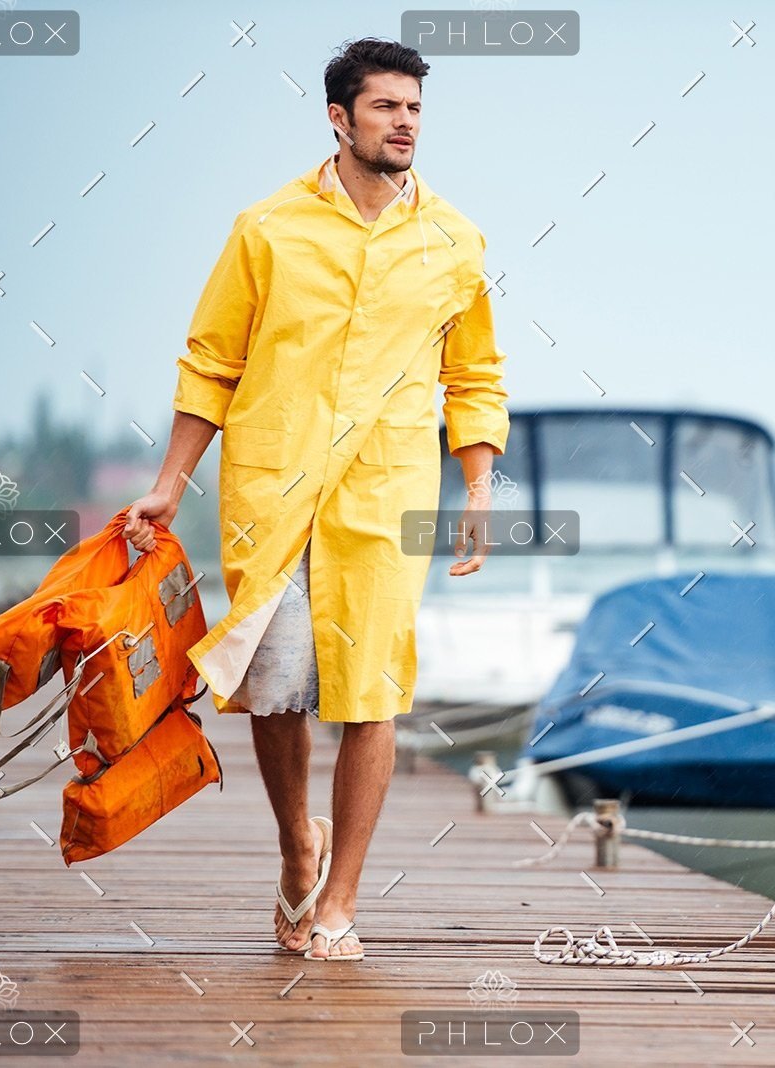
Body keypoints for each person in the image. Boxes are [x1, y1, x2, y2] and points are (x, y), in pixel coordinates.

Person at [123, 37, 510, 962]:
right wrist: (170, 484)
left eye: (414, 107)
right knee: (278, 684)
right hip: (272, 487)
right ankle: (299, 841)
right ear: (339, 119)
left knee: (371, 691)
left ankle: (338, 900)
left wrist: (479, 488)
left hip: (383, 498)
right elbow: (211, 361)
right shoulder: (267, 229)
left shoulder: (454, 240)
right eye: (385, 107)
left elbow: (477, 375)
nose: (405, 122)